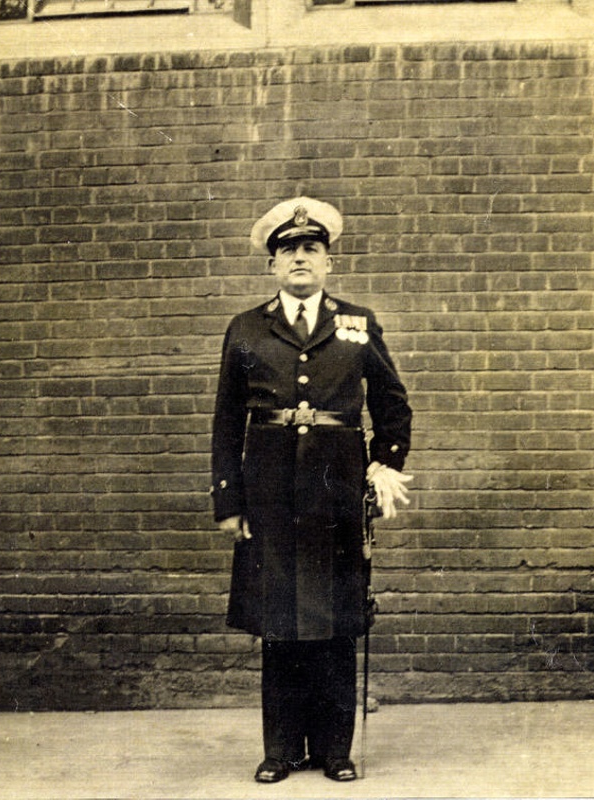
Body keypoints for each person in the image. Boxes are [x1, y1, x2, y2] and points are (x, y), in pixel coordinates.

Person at [211, 196, 412, 783]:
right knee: (280, 622)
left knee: (335, 621)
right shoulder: (247, 327)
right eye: (288, 251)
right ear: (273, 266)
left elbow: (393, 405)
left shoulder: (358, 323)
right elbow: (226, 421)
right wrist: (230, 499)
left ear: (327, 263)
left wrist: (382, 467)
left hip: (336, 492)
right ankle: (279, 751)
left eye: (311, 249)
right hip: (269, 491)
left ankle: (334, 750)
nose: (300, 258)